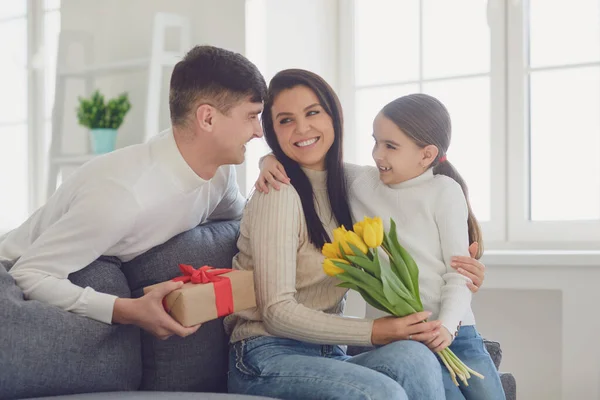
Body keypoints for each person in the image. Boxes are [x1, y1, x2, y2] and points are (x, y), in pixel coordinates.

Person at [0, 45, 267, 340]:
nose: (259, 132)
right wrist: (127, 310)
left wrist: (273, 167)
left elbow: (244, 217)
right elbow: (27, 274)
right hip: (12, 281)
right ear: (207, 119)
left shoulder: (220, 172)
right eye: (251, 116)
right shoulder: (123, 196)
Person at [258, 93, 504, 399]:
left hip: (457, 331)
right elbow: (311, 163)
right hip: (404, 338)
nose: (377, 154)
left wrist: (447, 327)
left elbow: (459, 273)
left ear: (426, 155)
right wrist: (268, 159)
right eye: (376, 142)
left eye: (390, 146)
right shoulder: (362, 183)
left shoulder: (444, 192)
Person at [224, 69, 447, 400]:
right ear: (272, 132)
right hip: (265, 355)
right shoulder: (279, 192)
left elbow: (424, 187)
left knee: (416, 358)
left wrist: (466, 258)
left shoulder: (351, 184)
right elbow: (275, 312)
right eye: (285, 121)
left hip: (328, 353)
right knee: (381, 393)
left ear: (333, 115)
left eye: (312, 112)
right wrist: (376, 331)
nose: (302, 128)